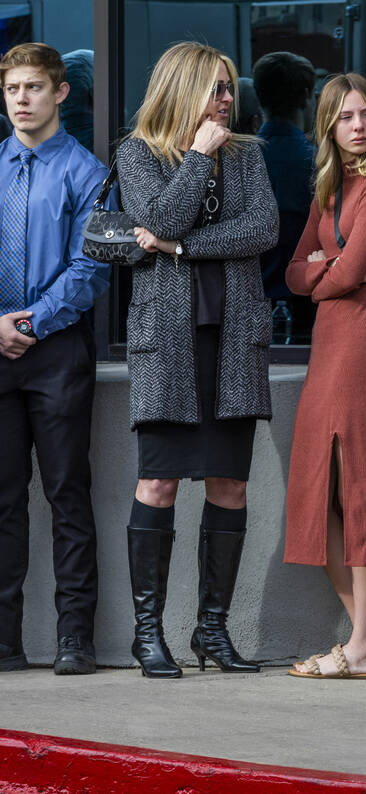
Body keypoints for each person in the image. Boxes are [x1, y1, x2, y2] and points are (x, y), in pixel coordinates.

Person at [116, 41, 278, 679]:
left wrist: (178, 248)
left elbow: (262, 230)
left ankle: (213, 630)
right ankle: (147, 633)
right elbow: (155, 215)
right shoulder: (137, 152)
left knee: (230, 484)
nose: (225, 100)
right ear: (182, 89)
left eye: (229, 88)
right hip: (168, 345)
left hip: (233, 341)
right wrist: (197, 157)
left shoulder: (248, 155)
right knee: (157, 483)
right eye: (214, 88)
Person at [283, 72, 366, 680]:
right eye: (345, 117)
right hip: (327, 349)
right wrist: (330, 270)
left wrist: (329, 267)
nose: (358, 126)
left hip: (365, 344)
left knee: (360, 491)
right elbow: (292, 275)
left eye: (365, 115)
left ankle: (361, 646)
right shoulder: (329, 186)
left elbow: (344, 274)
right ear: (328, 126)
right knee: (319, 495)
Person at [0, 42, 109, 676]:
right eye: (13, 89)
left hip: (59, 352)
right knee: (3, 499)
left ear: (60, 93)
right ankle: (4, 641)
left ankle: (76, 638)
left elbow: (92, 266)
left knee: (68, 493)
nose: (22, 100)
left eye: (34, 88)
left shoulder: (88, 172)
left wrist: (33, 322)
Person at [253, 51, 317, 342]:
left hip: (250, 301)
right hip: (306, 299)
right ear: (306, 95)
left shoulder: (240, 160)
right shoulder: (317, 163)